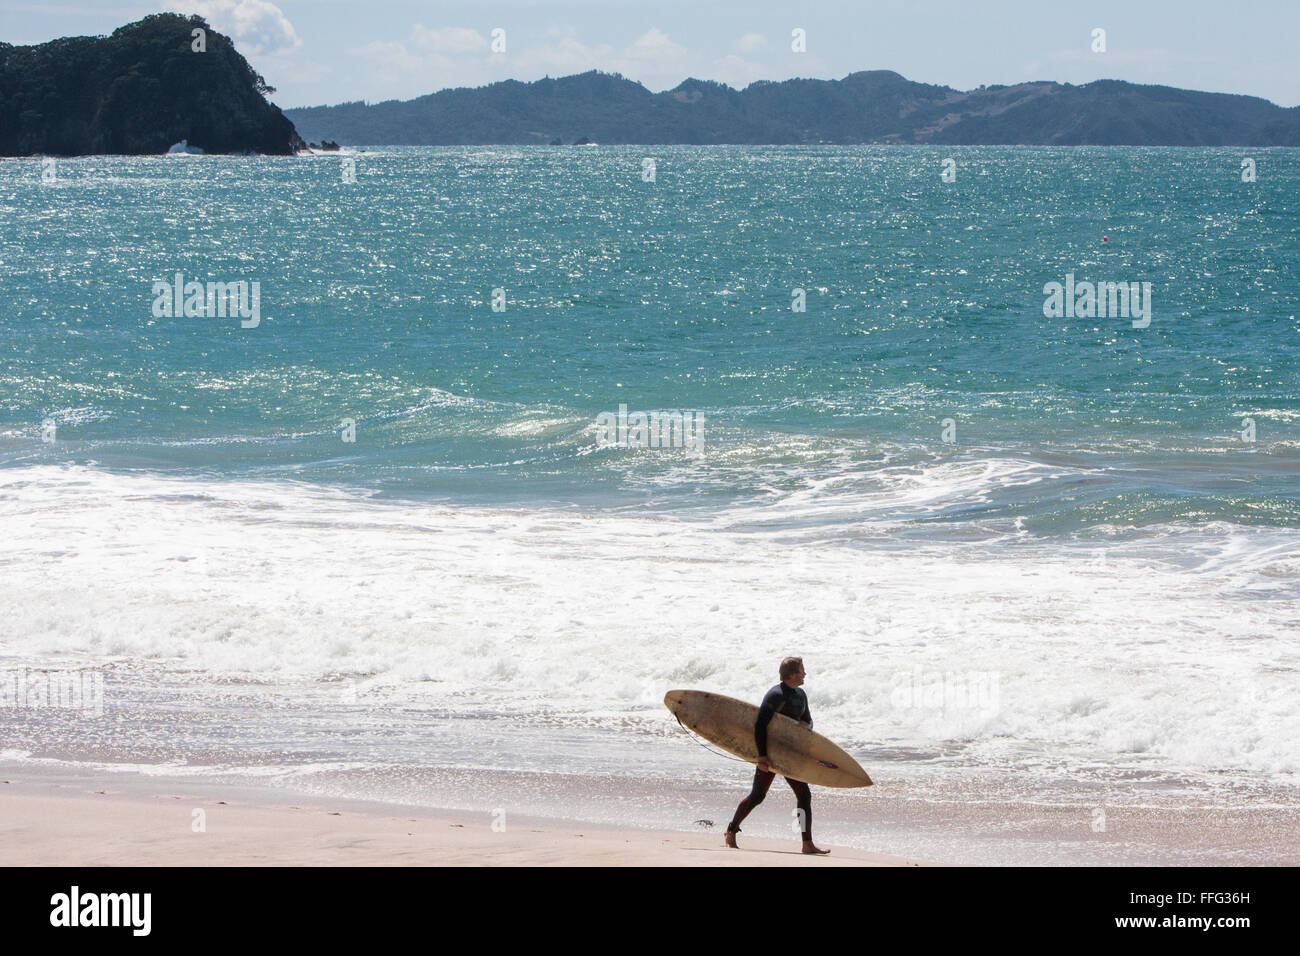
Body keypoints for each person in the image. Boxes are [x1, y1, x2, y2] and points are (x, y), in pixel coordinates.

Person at [724, 657, 830, 855]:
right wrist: (762, 757)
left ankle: (807, 844)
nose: (805, 674)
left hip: (789, 754)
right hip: (771, 753)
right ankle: (731, 829)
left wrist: (807, 726)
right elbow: (759, 726)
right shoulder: (775, 695)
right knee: (757, 796)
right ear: (791, 674)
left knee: (804, 794)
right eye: (801, 670)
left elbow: (808, 720)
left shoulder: (801, 695)